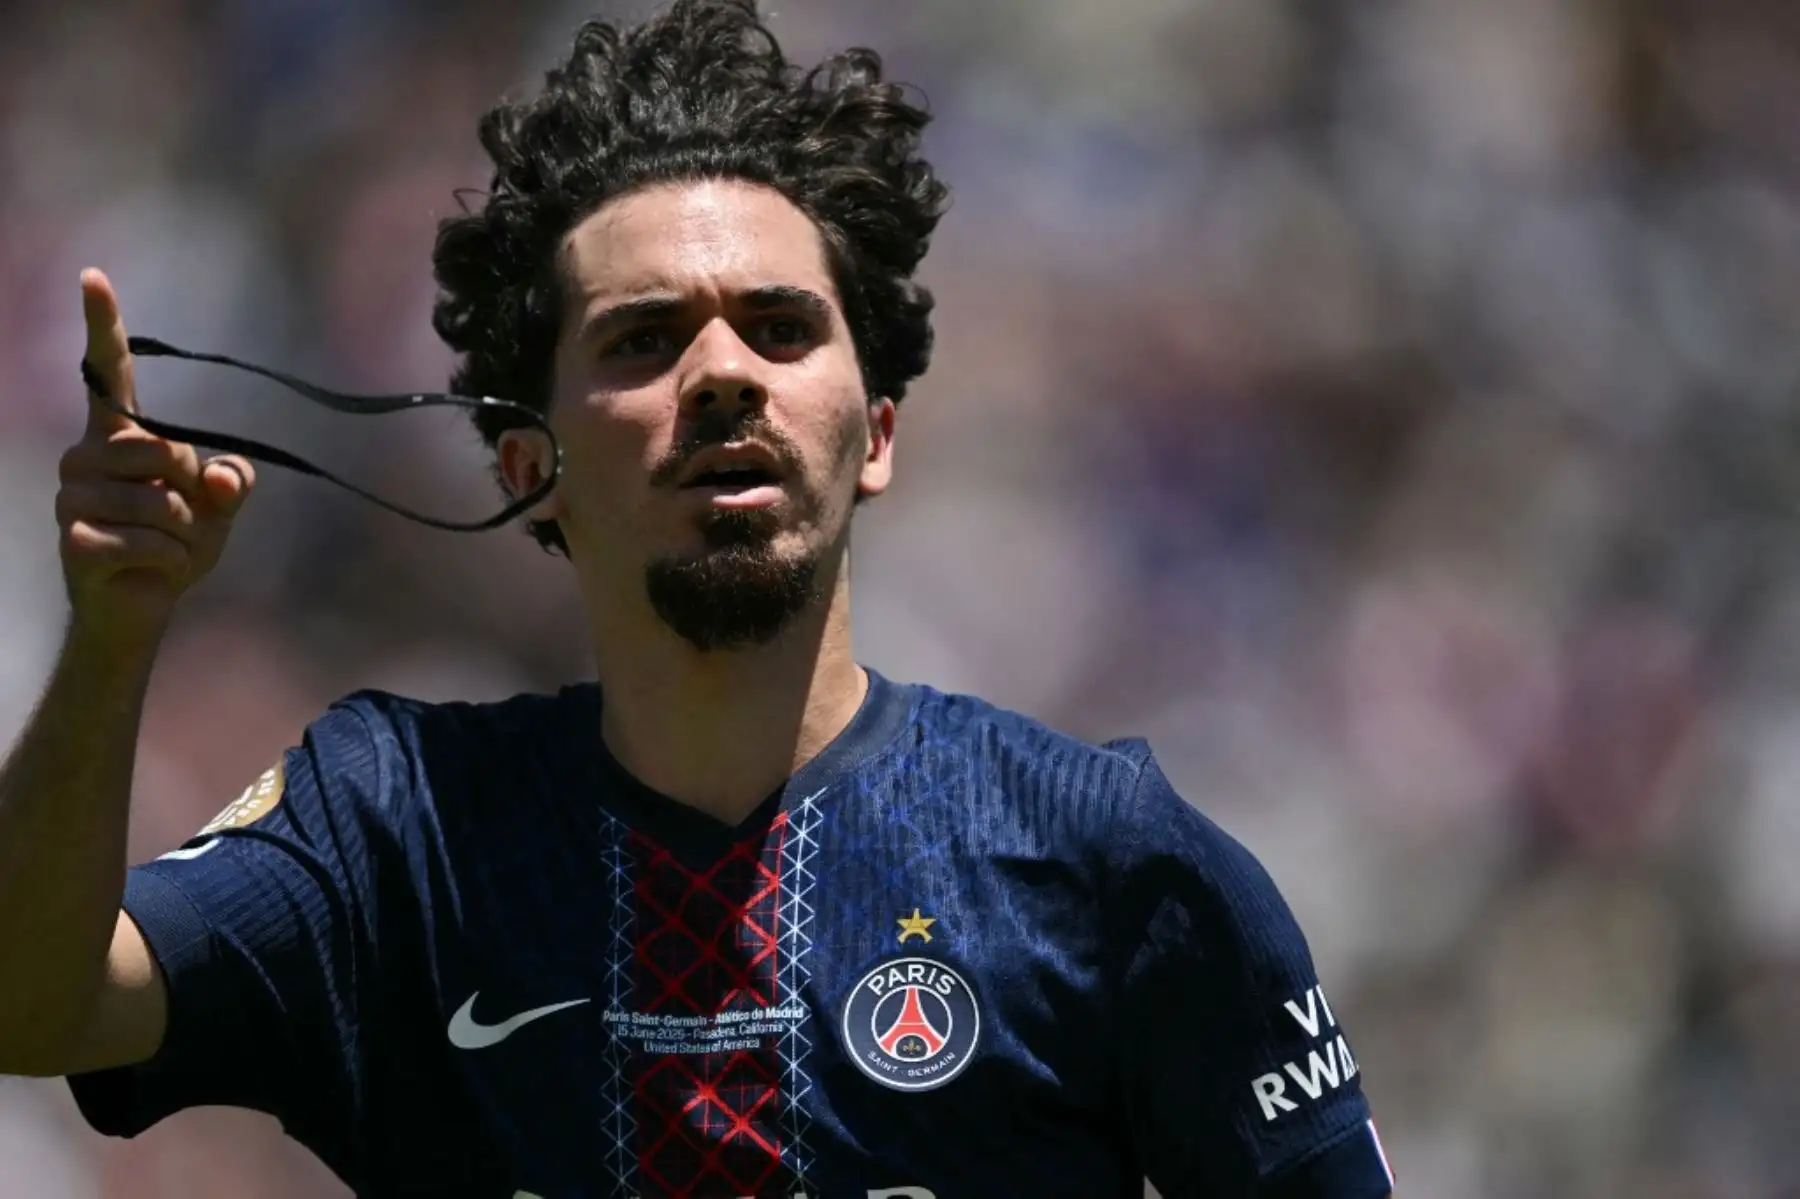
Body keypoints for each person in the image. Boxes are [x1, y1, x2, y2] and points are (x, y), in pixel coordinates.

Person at [0, 2, 1395, 1196]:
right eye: (645, 337)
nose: (724, 371)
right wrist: (113, 642)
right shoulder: (397, 831)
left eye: (782, 327)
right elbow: (33, 1002)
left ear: (880, 431)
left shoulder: (1105, 863)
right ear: (528, 466)